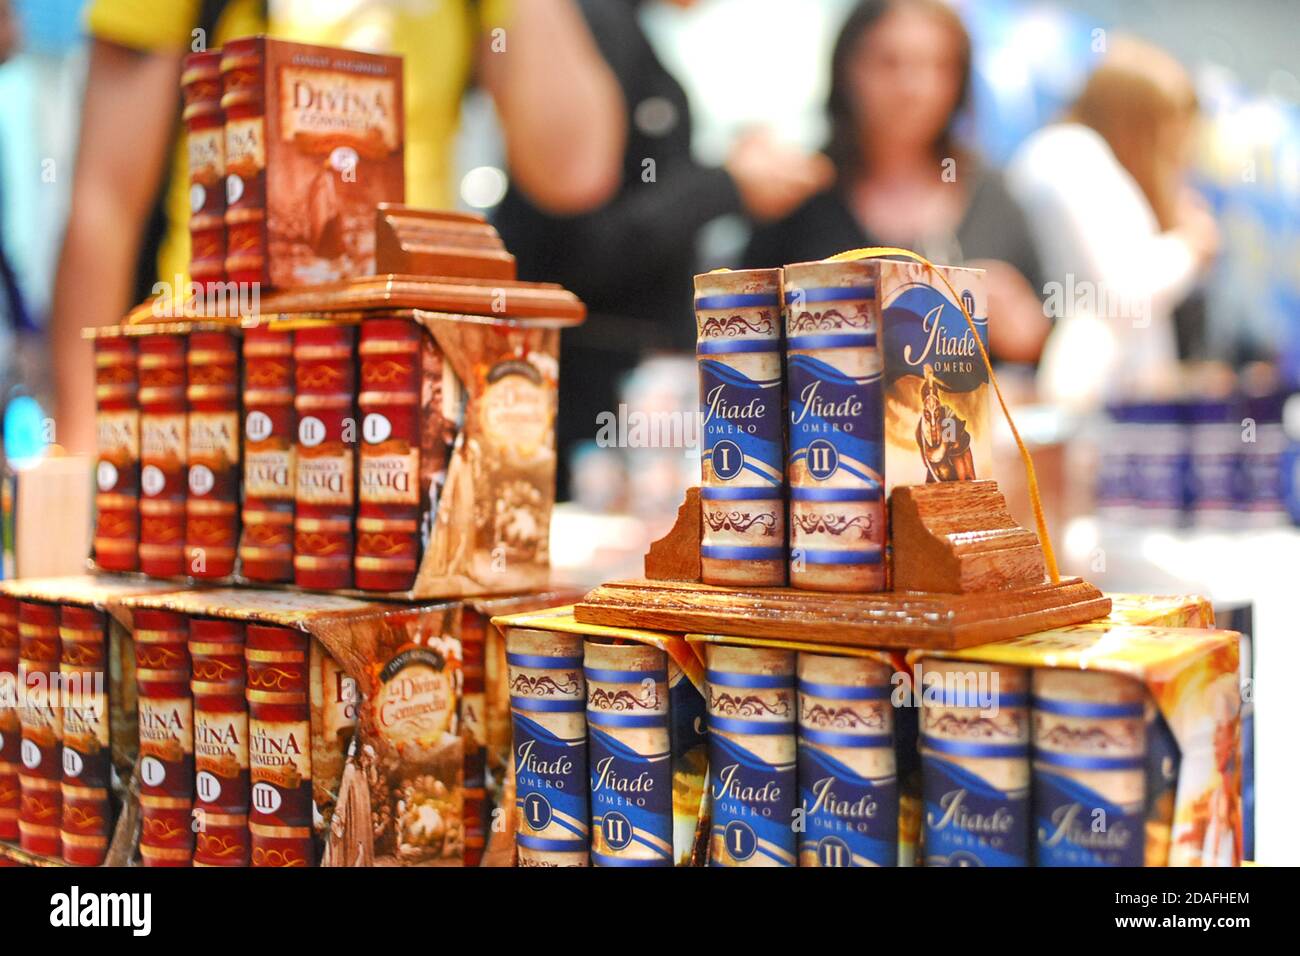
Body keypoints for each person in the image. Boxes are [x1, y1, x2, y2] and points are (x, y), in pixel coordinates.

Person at [48, 0, 625, 456]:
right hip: (213, 382)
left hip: (402, 388)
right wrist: (83, 455)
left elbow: (574, 169)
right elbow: (104, 204)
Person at [493, 0, 834, 495]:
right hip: (589, 396)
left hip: (620, 395)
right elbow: (574, 244)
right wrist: (727, 185)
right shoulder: (588, 24)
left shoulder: (618, 28)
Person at [744, 0, 1049, 366]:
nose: (911, 88)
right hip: (832, 417)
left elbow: (1045, 343)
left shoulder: (992, 196)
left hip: (966, 421)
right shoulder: (800, 195)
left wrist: (1030, 333)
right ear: (846, 70)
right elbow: (749, 342)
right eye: (888, 63)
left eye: (937, 66)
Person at [1006, 36, 1219, 409]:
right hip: (1086, 409)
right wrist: (1191, 245)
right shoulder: (1069, 153)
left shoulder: (1080, 158)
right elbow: (1121, 290)